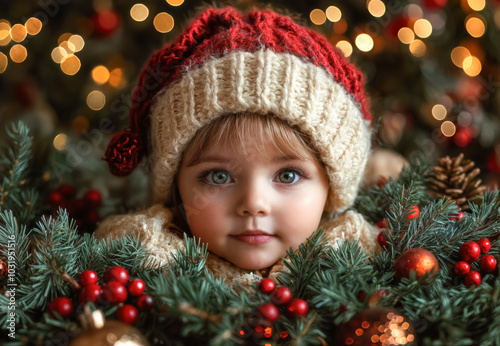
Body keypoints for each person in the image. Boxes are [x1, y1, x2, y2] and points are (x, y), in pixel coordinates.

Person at [95, 6, 377, 287]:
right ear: (175, 188)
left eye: (288, 175)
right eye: (218, 176)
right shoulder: (138, 265)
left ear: (332, 189)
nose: (253, 204)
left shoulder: (367, 263)